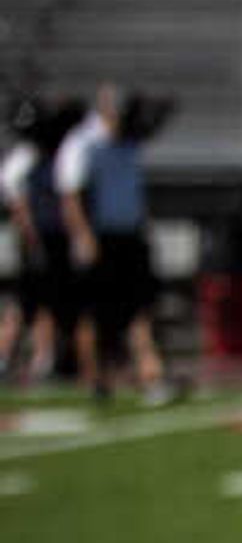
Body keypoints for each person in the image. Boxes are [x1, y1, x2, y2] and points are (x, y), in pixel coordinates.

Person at [54, 83, 174, 406]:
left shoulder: (128, 143)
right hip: (99, 237)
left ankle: (151, 375)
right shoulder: (83, 144)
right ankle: (96, 378)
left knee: (140, 309)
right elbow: (71, 196)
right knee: (95, 314)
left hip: (128, 236)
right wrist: (84, 237)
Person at [2, 99, 70, 383]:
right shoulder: (24, 159)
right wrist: (31, 236)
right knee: (25, 303)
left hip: (49, 237)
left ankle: (43, 359)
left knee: (47, 302)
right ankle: (6, 356)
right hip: (35, 240)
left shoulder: (46, 156)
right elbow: (18, 203)